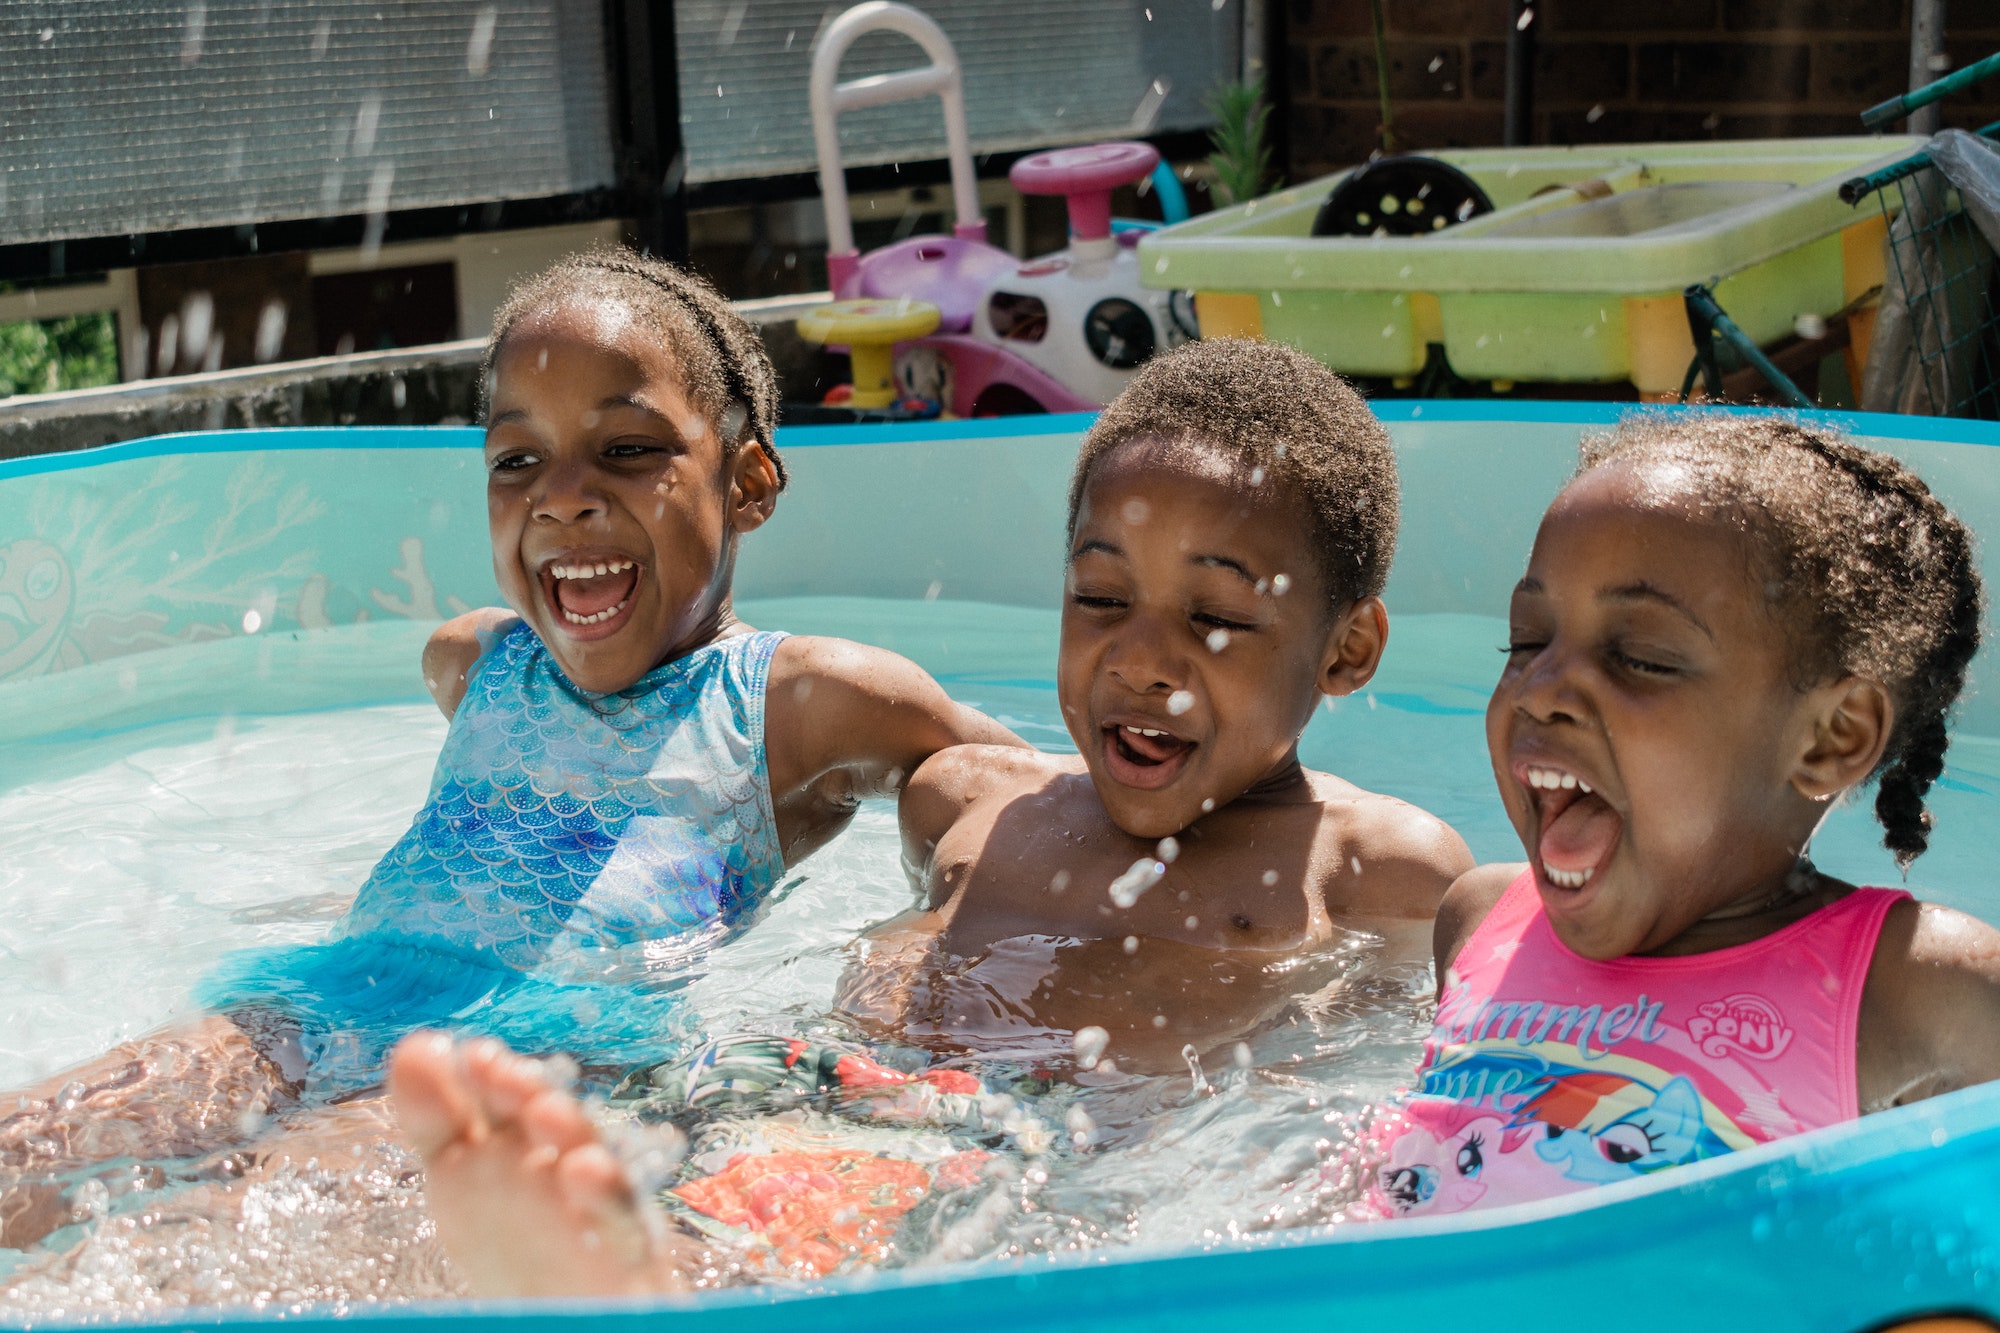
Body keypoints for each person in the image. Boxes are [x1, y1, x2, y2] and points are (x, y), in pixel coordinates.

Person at [386, 338, 1476, 1295]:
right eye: (1099, 599)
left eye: (1215, 617)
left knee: (844, 1210)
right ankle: (592, 1246)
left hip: (1016, 1133)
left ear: (1346, 650)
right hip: (793, 1073)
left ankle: (620, 1271)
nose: (1139, 659)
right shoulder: (968, 798)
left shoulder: (1370, 865)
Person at [0, 250, 1021, 1247]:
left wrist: (922, 931)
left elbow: (1013, 786)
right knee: (31, 1146)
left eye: (626, 448)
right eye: (516, 458)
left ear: (746, 481)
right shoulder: (474, 661)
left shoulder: (798, 699)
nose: (562, 494)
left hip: (531, 1049)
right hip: (316, 997)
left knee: (214, 1236)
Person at [1365, 415, 2000, 1220]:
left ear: (1830, 737)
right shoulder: (1482, 917)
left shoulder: (1924, 991)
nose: (1540, 687)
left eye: (1641, 657)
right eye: (1527, 640)